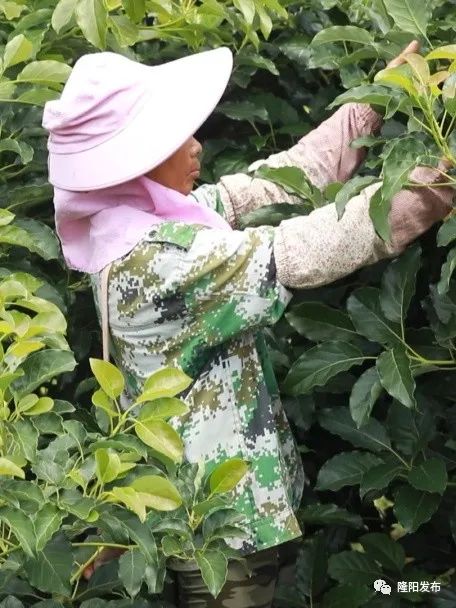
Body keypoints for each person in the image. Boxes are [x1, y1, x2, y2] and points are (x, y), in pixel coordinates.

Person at [42, 41, 453, 608]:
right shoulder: (156, 260)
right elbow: (308, 248)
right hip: (222, 531)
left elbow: (276, 183)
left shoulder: (133, 220)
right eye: (174, 140)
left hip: (224, 509)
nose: (196, 146)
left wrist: (371, 106)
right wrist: (439, 181)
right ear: (133, 164)